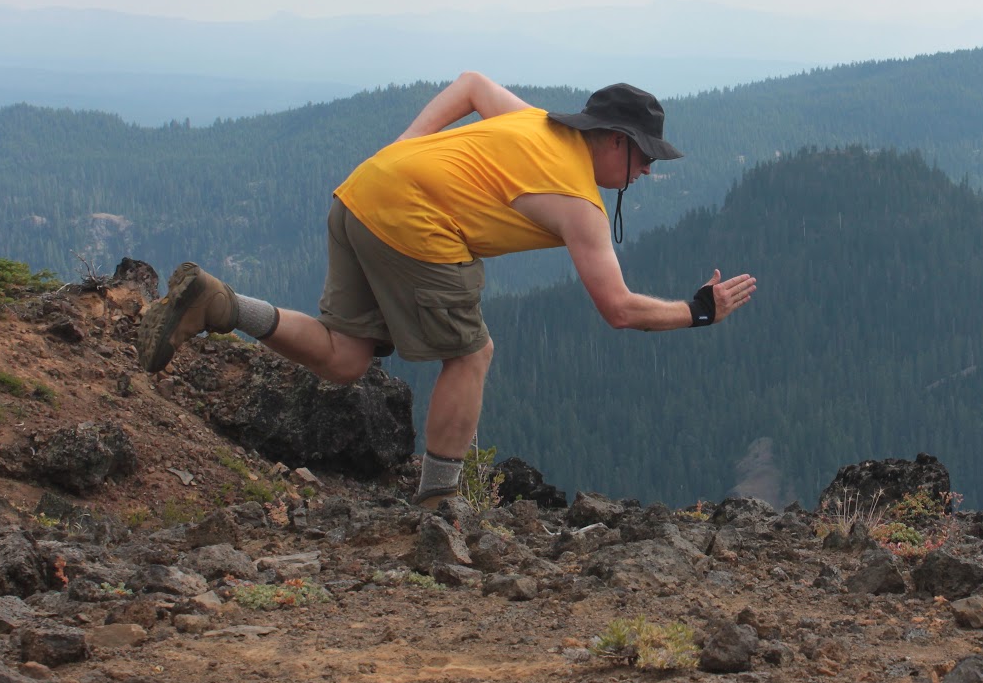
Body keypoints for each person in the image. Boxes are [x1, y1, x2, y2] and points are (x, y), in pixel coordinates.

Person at [136, 73, 757, 507]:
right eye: (645, 157)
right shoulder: (578, 203)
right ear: (615, 139)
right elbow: (618, 309)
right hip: (414, 223)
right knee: (472, 354)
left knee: (345, 357)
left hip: (362, 189)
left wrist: (405, 146)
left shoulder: (535, 123)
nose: (646, 170)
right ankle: (438, 505)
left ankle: (219, 304)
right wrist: (699, 312)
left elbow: (472, 84)